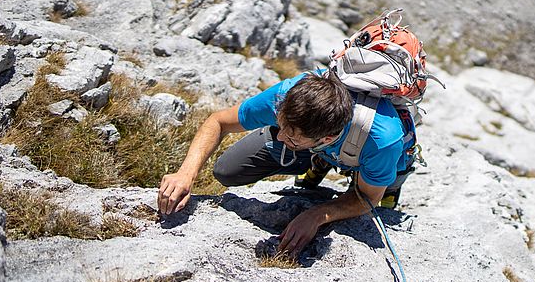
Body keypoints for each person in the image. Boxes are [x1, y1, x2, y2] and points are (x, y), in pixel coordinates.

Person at [157, 70, 414, 256]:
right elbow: (219, 121)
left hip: (365, 151)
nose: (279, 137)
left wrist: (317, 215)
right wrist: (186, 173)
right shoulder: (288, 96)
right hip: (324, 144)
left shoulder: (382, 140)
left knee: (378, 184)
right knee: (228, 170)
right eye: (281, 126)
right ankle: (319, 159)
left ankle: (350, 165)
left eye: (290, 135)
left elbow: (367, 199)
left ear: (326, 138)